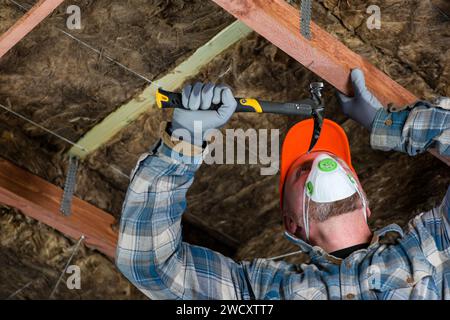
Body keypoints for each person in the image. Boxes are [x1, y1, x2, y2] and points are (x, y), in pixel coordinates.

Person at [116, 69, 450, 299]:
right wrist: (185, 139)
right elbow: (152, 266)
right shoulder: (260, 294)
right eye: (301, 168)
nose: (320, 163)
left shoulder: (436, 248)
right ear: (291, 223)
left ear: (365, 197)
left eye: (325, 162)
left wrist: (391, 124)